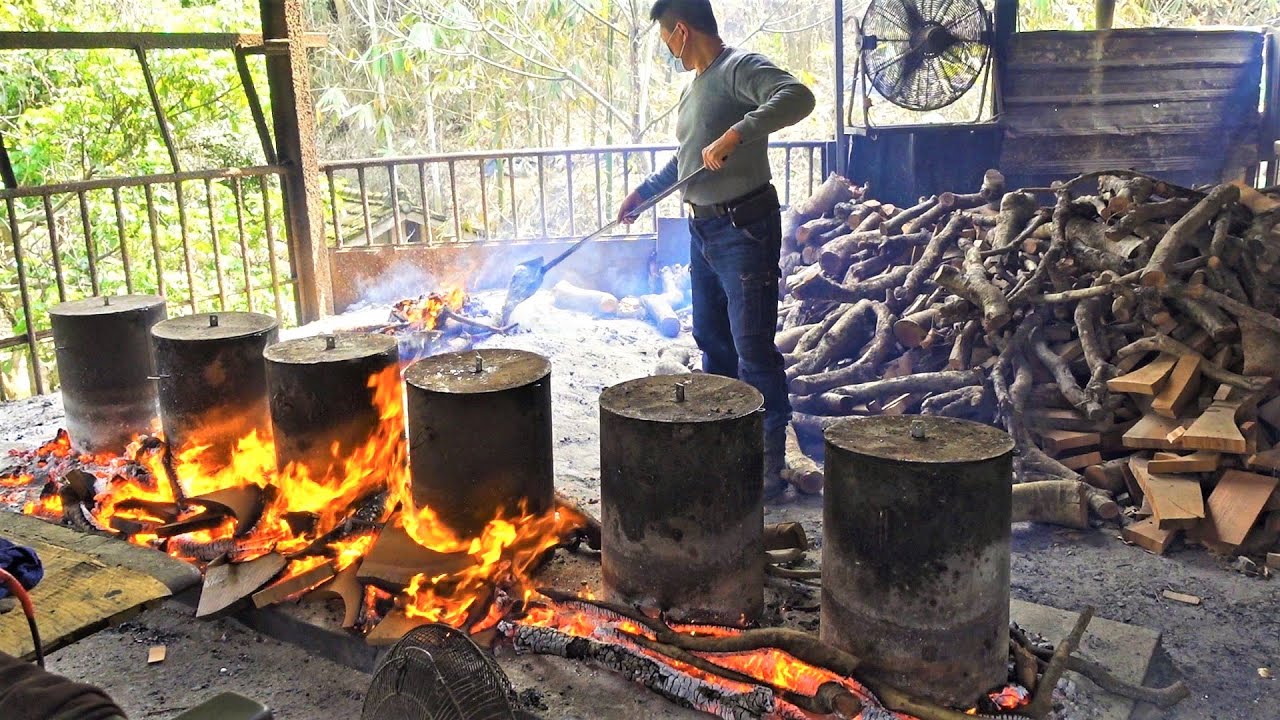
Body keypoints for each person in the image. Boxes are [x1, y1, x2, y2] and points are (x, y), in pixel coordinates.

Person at [618, 0, 815, 501]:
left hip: (743, 227)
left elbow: (798, 96)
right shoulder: (696, 89)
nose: (666, 47)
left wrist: (738, 132)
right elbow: (686, 164)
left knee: (752, 348)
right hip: (703, 231)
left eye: (665, 36)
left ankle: (768, 468)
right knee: (711, 335)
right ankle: (729, 446)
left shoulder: (737, 68)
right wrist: (642, 195)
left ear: (681, 30)